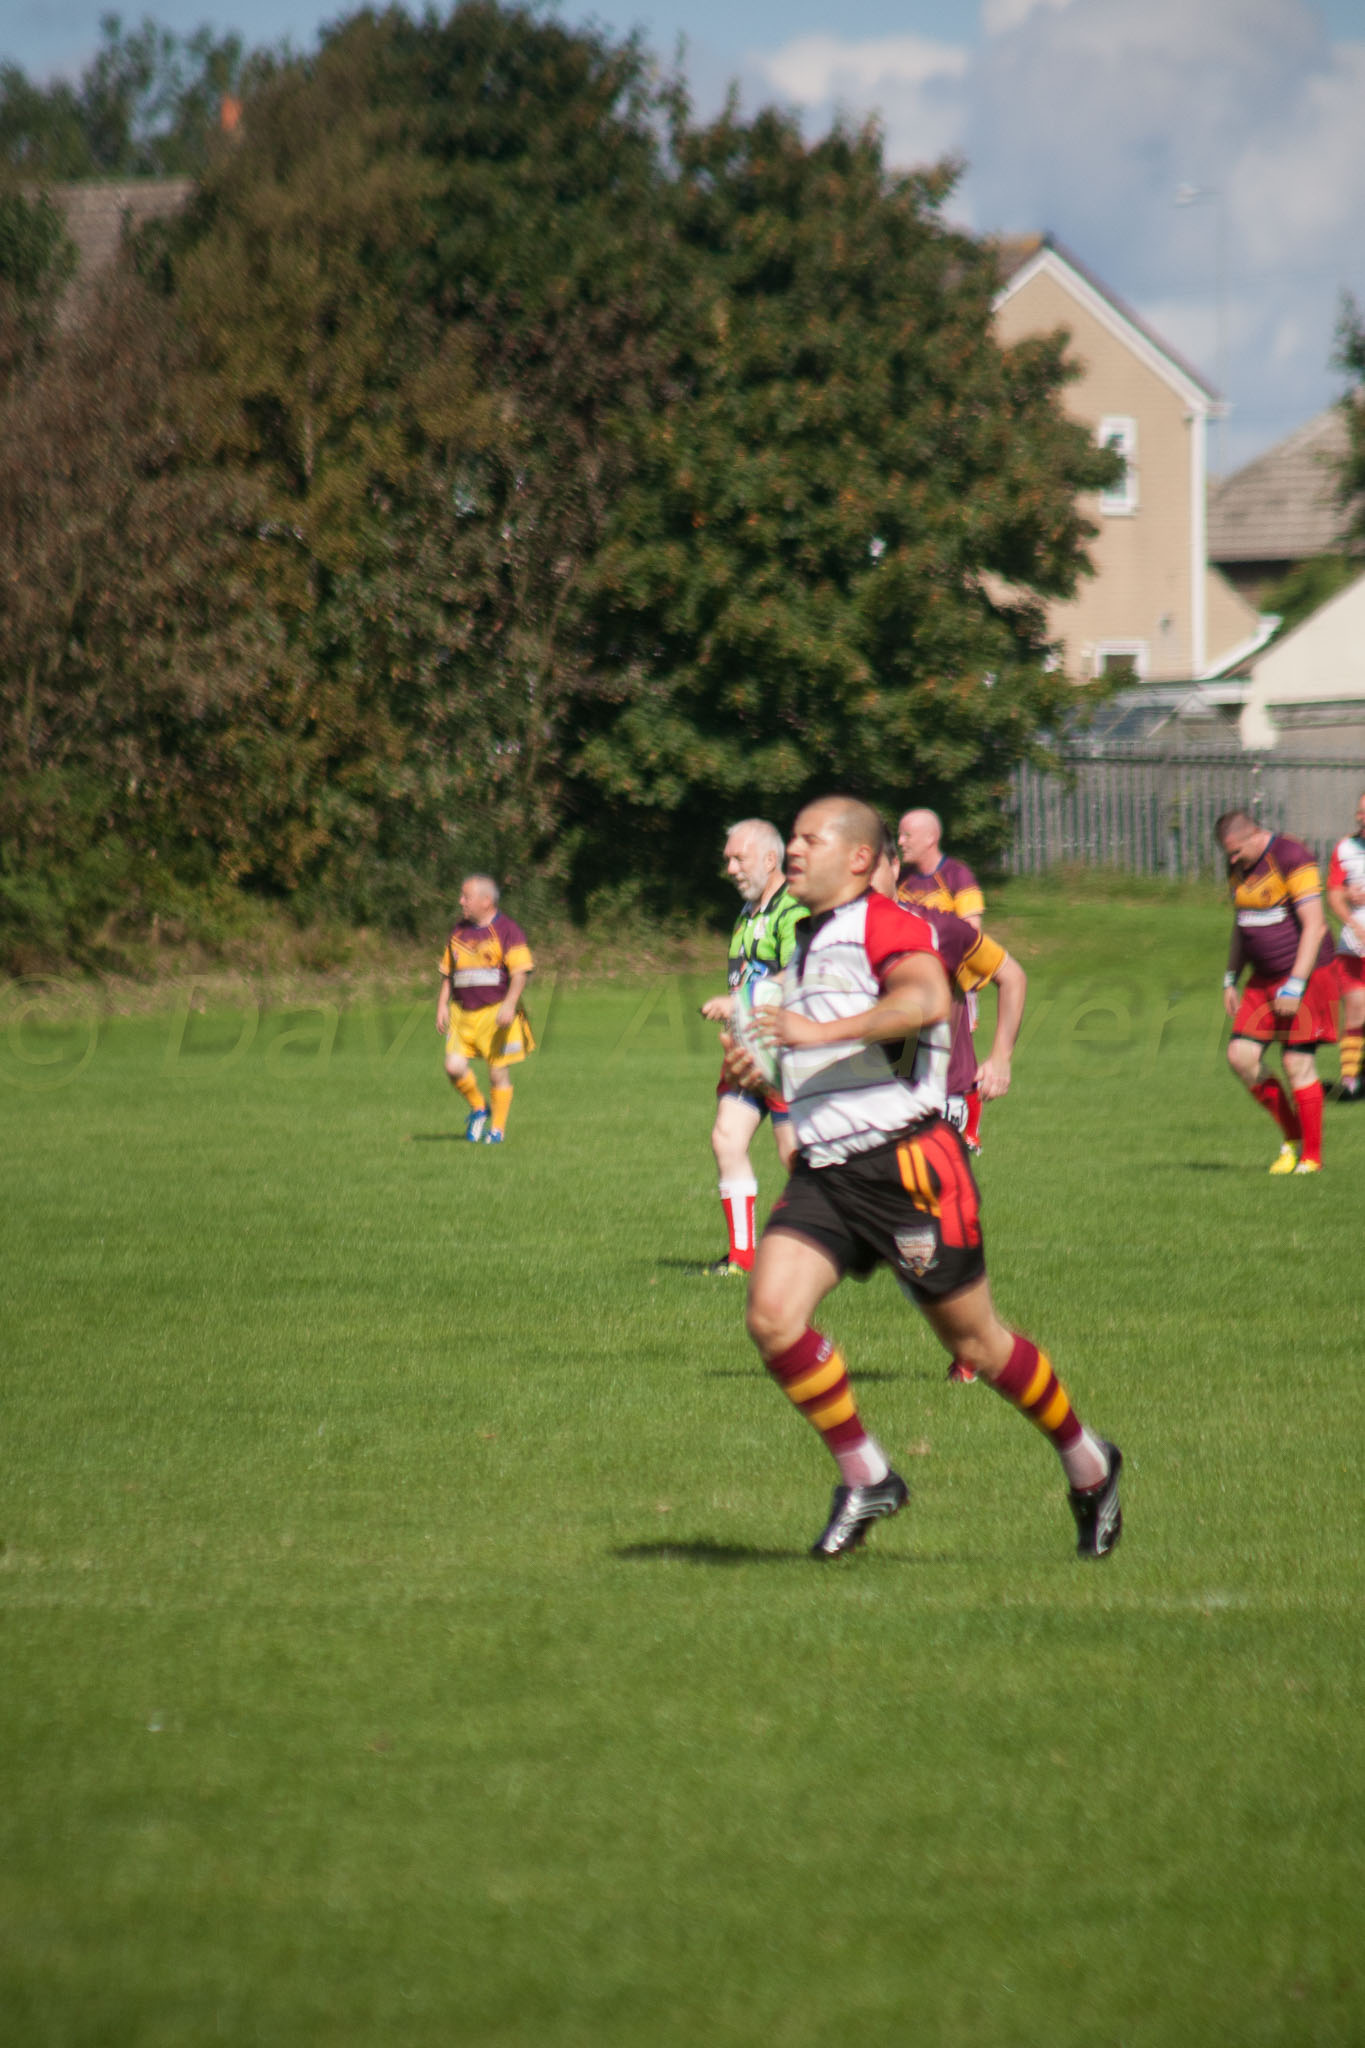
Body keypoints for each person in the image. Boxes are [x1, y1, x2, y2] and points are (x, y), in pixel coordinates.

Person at [723, 795, 1122, 1562]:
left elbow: (926, 998)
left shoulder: (887, 922)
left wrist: (814, 1031)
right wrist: (768, 1065)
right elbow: (833, 1054)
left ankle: (1088, 1461)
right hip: (827, 1172)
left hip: (907, 1167)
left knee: (977, 1345)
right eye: (792, 839)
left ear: (859, 858)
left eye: (808, 839)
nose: (793, 850)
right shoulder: (806, 937)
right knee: (772, 1318)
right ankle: (867, 1476)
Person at [871, 827, 1028, 1384]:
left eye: (871, 867)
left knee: (928, 1225)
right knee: (904, 1236)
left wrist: (1000, 1056)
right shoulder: (835, 939)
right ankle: (973, 1338)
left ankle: (974, 1348)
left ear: (894, 867)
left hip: (943, 1098)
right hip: (877, 1103)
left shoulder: (940, 929)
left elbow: (1012, 976)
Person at [698, 820, 807, 1275]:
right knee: (726, 1137)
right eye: (728, 859)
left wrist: (739, 1000)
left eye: (738, 858)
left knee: (793, 1156)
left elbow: (800, 972)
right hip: (746, 1052)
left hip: (782, 1052)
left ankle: (828, 1244)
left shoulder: (792, 909)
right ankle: (742, 1258)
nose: (730, 868)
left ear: (770, 859)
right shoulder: (748, 912)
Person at [1216, 811, 1336, 1174]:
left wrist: (1295, 984)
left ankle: (1311, 1158)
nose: (1231, 860)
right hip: (1262, 978)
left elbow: (1315, 926)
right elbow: (1242, 925)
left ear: (1253, 834)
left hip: (1307, 975)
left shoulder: (1291, 856)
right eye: (1227, 853)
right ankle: (1292, 1136)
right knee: (1241, 1056)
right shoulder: (1237, 868)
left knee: (1296, 1063)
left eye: (1236, 851)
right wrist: (1230, 977)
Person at [895, 807, 987, 1150]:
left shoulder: (957, 875)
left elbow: (972, 931)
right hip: (911, 988)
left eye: (907, 835)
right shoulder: (902, 880)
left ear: (930, 837)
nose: (901, 841)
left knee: (957, 1058)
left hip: (952, 986)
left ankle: (968, 1131)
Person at [435, 874, 535, 1145]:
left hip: (496, 1014)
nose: (461, 901)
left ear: (486, 900)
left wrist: (509, 1004)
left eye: (466, 897)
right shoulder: (458, 931)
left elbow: (520, 972)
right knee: (453, 1066)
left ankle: (497, 1130)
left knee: (497, 1072)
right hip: (462, 1015)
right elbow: (448, 973)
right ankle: (479, 1107)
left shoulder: (507, 930)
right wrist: (442, 1004)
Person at [1325, 791, 1365, 1101]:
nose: (1363, 817)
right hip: (1354, 947)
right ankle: (1350, 1080)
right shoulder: (1345, 848)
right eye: (1361, 811)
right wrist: (1352, 923)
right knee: (1356, 1010)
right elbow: (1334, 894)